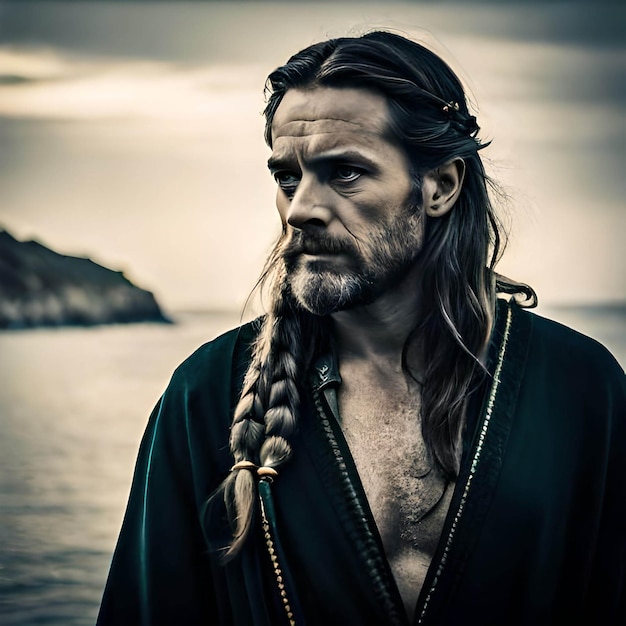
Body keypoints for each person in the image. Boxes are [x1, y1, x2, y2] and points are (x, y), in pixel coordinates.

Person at [97, 31, 625, 626]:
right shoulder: (207, 394)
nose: (300, 209)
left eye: (344, 173)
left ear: (441, 187)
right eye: (287, 177)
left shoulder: (578, 388)